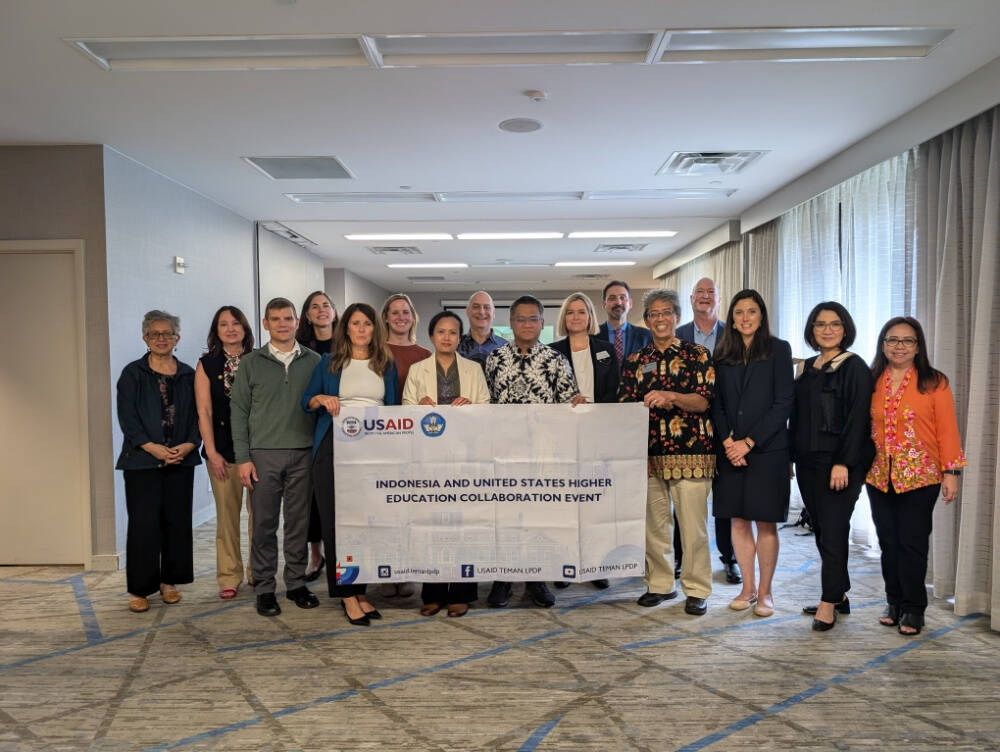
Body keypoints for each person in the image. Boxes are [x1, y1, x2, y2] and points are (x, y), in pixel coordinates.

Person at [302, 302, 399, 626]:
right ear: (346, 329)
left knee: (366, 525)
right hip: (333, 447)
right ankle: (345, 593)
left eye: (367, 324)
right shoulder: (329, 363)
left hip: (373, 451)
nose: (361, 329)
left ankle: (360, 590)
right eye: (355, 323)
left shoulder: (386, 364)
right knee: (336, 524)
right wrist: (323, 400)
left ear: (375, 329)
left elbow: (394, 410)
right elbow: (307, 401)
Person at [484, 295, 585, 608]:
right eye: (520, 319)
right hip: (504, 453)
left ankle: (536, 580)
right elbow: (485, 407)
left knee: (538, 517)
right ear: (511, 323)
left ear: (543, 324)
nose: (527, 324)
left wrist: (577, 405)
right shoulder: (494, 359)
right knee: (506, 517)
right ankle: (503, 579)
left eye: (533, 319)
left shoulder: (556, 360)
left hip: (543, 454)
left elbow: (569, 403)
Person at [619, 290, 716, 615]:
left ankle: (697, 588)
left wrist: (670, 396)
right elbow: (624, 405)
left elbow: (703, 401)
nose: (660, 319)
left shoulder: (698, 354)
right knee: (655, 526)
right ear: (646, 321)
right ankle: (660, 584)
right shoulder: (635, 361)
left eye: (666, 313)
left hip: (691, 453)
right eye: (653, 314)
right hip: (648, 455)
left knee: (693, 528)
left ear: (676, 317)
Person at [867, 317, 964, 636]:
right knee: (887, 541)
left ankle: (914, 608)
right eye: (892, 340)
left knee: (912, 543)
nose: (899, 346)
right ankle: (893, 602)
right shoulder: (871, 380)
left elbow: (947, 429)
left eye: (907, 341)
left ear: (918, 346)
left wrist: (951, 471)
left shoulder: (934, 382)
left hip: (921, 476)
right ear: (883, 344)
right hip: (879, 475)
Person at [230, 297, 322, 617]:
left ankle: (296, 582)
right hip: (263, 455)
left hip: (303, 453)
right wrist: (243, 458)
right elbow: (239, 412)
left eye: (288, 318)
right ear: (266, 324)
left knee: (298, 524)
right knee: (264, 525)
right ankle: (265, 587)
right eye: (275, 319)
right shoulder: (251, 363)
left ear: (297, 322)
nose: (282, 324)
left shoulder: (314, 360)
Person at [791, 302, 875, 631]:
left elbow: (858, 419)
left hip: (839, 464)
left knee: (835, 530)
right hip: (808, 462)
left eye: (834, 324)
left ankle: (828, 602)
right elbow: (795, 416)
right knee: (823, 529)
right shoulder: (807, 367)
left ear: (845, 329)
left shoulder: (854, 367)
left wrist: (843, 462)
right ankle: (838, 594)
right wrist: (789, 457)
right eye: (820, 324)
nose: (827, 329)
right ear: (812, 329)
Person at [711, 290, 793, 618]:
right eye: (740, 312)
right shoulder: (722, 353)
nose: (746, 318)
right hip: (730, 451)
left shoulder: (778, 350)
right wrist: (729, 442)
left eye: (752, 312)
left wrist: (749, 442)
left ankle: (766, 593)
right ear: (731, 318)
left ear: (762, 316)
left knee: (765, 523)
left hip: (767, 451)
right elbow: (716, 403)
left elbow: (784, 402)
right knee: (738, 520)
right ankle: (747, 588)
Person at [403, 310, 490, 617]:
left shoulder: (473, 369)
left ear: (459, 337)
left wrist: (471, 407)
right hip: (430, 459)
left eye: (453, 332)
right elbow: (405, 409)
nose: (447, 337)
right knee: (432, 525)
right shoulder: (417, 369)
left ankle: (462, 592)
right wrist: (419, 408)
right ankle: (433, 592)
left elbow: (487, 407)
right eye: (441, 331)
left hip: (465, 457)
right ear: (431, 335)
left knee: (464, 526)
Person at [115, 310, 201, 613]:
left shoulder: (190, 374)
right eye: (155, 334)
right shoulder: (132, 374)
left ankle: (169, 582)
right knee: (143, 524)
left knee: (176, 523)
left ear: (177, 338)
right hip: (141, 461)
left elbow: (199, 415)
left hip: (182, 459)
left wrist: (190, 444)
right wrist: (153, 448)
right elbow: (128, 418)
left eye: (167, 334)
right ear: (145, 338)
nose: (161, 339)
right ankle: (140, 589)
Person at [548, 292, 620, 590]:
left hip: (598, 436)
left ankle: (594, 565)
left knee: (594, 504)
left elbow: (615, 392)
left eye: (581, 312)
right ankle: (564, 565)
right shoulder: (551, 351)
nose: (576, 317)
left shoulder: (605, 350)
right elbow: (548, 395)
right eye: (570, 312)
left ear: (590, 317)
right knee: (565, 504)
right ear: (563, 318)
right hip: (563, 437)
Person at [675, 277, 740, 585]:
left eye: (710, 292)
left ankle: (730, 558)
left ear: (718, 297)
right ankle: (681, 558)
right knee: (685, 499)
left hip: (725, 427)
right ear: (691, 299)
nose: (704, 297)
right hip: (687, 431)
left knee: (726, 498)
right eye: (699, 292)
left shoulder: (735, 336)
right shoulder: (678, 336)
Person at [195, 305, 255, 600]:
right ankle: (229, 575)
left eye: (236, 323)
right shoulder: (207, 364)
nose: (230, 329)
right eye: (223, 324)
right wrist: (212, 452)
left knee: (261, 516)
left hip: (257, 449)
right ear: (216, 331)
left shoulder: (259, 360)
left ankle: (259, 570)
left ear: (245, 328)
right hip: (221, 450)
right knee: (226, 517)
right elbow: (204, 410)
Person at [380, 292, 430, 598]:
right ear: (385, 317)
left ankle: (410, 568)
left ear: (413, 317)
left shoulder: (426, 355)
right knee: (384, 510)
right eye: (394, 312)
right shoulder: (374, 353)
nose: (400, 317)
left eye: (405, 312)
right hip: (382, 442)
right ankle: (387, 570)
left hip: (416, 443)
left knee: (413, 511)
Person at [296, 291, 340, 582]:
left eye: (326, 305)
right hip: (310, 428)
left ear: (336, 312)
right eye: (315, 307)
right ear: (307, 316)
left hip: (346, 431)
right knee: (312, 499)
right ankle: (316, 554)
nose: (321, 310)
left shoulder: (350, 343)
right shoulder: (299, 349)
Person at [597, 280, 652, 372]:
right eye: (612, 298)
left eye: (622, 297)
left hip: (635, 385)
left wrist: (634, 372)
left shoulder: (646, 336)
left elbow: (653, 366)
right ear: (604, 304)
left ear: (630, 303)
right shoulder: (592, 336)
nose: (618, 302)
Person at [458, 290, 508, 369]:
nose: (481, 311)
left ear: (493, 313)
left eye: (487, 307)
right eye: (476, 307)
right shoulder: (455, 346)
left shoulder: (507, 348)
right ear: (467, 311)